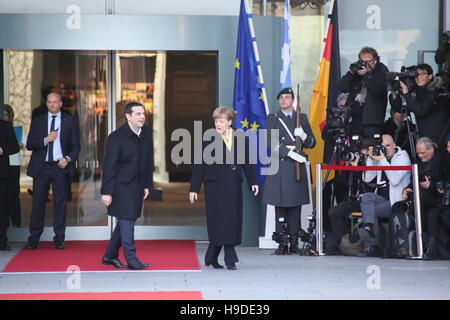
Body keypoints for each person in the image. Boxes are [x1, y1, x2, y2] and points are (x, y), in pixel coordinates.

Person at [189, 106, 259, 270]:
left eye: (221, 121)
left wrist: (253, 182)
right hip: (214, 186)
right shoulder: (208, 138)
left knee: (231, 219)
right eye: (216, 121)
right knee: (217, 220)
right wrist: (194, 188)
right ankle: (230, 257)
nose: (218, 124)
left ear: (229, 122)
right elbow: (199, 165)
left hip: (233, 184)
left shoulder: (239, 137)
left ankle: (212, 254)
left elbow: (246, 162)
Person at [262, 87, 316, 255]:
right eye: (281, 98)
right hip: (282, 164)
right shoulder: (273, 118)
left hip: (297, 166)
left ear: (293, 100)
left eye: (287, 97)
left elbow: (312, 143)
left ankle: (294, 242)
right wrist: (291, 153)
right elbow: (271, 141)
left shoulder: (302, 118)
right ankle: (281, 242)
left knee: (295, 206)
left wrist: (305, 136)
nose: (284, 100)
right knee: (280, 206)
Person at [101, 102, 154, 270]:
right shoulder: (116, 137)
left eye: (143, 113)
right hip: (121, 187)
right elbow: (109, 166)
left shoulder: (145, 134)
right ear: (128, 116)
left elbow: (147, 161)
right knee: (127, 221)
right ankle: (132, 259)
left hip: (138, 185)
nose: (142, 116)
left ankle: (109, 256)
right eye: (137, 114)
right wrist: (107, 192)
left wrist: (147, 184)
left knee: (125, 221)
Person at [25, 92, 80, 250]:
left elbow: (76, 146)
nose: (52, 105)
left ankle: (59, 238)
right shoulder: (39, 120)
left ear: (61, 104)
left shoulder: (68, 121)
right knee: (38, 204)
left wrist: (67, 158)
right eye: (49, 102)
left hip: (59, 167)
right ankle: (34, 238)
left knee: (60, 204)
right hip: (42, 167)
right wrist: (45, 140)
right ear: (46, 104)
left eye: (55, 102)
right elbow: (30, 144)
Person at [358, 134, 411, 257]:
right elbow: (367, 178)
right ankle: (368, 228)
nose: (385, 149)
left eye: (388, 146)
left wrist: (382, 160)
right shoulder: (380, 157)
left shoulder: (402, 157)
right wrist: (371, 159)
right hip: (383, 198)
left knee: (371, 211)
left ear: (394, 145)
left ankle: (373, 245)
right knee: (366, 197)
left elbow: (395, 180)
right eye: (382, 147)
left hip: (397, 201)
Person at [326, 138, 375, 255]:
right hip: (355, 200)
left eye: (364, 156)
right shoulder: (357, 164)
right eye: (361, 155)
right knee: (334, 212)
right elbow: (343, 183)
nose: (363, 158)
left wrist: (364, 164)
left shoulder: (377, 163)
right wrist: (350, 168)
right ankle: (342, 244)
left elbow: (368, 180)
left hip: (370, 201)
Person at [402, 137, 445, 260]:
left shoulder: (441, 161)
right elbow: (413, 181)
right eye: (418, 153)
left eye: (423, 153)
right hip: (421, 202)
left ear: (431, 149)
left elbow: (443, 184)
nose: (420, 156)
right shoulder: (418, 162)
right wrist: (406, 189)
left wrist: (430, 186)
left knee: (432, 214)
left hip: (437, 202)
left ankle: (431, 249)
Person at [338, 47, 389, 138]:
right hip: (354, 119)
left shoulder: (382, 70)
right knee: (354, 149)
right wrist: (351, 73)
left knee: (370, 148)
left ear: (375, 60)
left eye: (368, 61)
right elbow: (342, 87)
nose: (365, 64)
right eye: (362, 61)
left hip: (372, 121)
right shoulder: (358, 70)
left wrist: (366, 75)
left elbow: (379, 90)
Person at [393, 63, 450, 145]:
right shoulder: (418, 91)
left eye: (422, 74)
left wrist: (406, 93)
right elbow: (401, 109)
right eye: (416, 74)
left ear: (430, 76)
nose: (419, 77)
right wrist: (394, 92)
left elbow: (420, 110)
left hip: (437, 137)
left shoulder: (436, 91)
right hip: (425, 135)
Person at [1, 104, 25, 227]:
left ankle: (16, 222)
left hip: (13, 164)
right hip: (3, 165)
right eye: (3, 114)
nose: (4, 116)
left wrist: (19, 144)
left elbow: (24, 144)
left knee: (13, 194)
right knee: (3, 196)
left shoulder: (15, 128)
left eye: (6, 114)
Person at [0, 114, 20, 251]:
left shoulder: (5, 126)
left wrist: (2, 150)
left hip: (2, 174)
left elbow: (15, 147)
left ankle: (2, 241)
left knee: (2, 209)